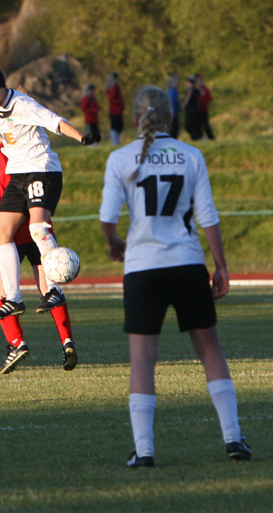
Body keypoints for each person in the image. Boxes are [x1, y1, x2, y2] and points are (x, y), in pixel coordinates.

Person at [99, 86, 251, 468]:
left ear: (136, 119)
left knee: (142, 359)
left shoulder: (120, 157)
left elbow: (107, 217)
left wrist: (114, 243)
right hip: (186, 263)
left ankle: (145, 450)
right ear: (170, 118)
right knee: (210, 351)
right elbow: (208, 216)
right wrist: (221, 265)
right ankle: (233, 438)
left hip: (142, 268)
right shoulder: (191, 154)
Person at [0, 64, 99, 322]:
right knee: (1, 233)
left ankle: (54, 290)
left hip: (42, 170)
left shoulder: (23, 104)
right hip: (19, 174)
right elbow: (3, 135)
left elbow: (55, 121)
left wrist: (82, 138)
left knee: (38, 229)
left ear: (2, 86)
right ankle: (13, 299)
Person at [0, 116, 78, 374]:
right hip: (35, 224)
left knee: (1, 290)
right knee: (51, 284)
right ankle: (67, 340)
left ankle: (16, 343)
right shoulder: (22, 148)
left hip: (4, 227)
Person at [106, 72, 125, 145]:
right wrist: (120, 102)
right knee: (115, 127)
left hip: (118, 111)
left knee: (119, 127)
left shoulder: (117, 88)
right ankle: (114, 142)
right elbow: (112, 100)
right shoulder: (112, 89)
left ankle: (117, 141)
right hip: (114, 111)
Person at [181, 75, 202, 140]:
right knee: (194, 125)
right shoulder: (196, 90)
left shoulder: (191, 90)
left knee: (189, 126)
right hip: (195, 110)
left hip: (191, 111)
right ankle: (195, 138)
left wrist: (182, 107)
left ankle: (196, 138)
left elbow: (187, 100)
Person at [195, 74, 215, 140]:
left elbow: (209, 98)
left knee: (206, 125)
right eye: (199, 80)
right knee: (198, 125)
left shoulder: (205, 89)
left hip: (204, 110)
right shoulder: (194, 89)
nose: (200, 82)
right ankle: (199, 137)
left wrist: (203, 103)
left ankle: (211, 138)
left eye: (201, 80)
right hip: (196, 111)